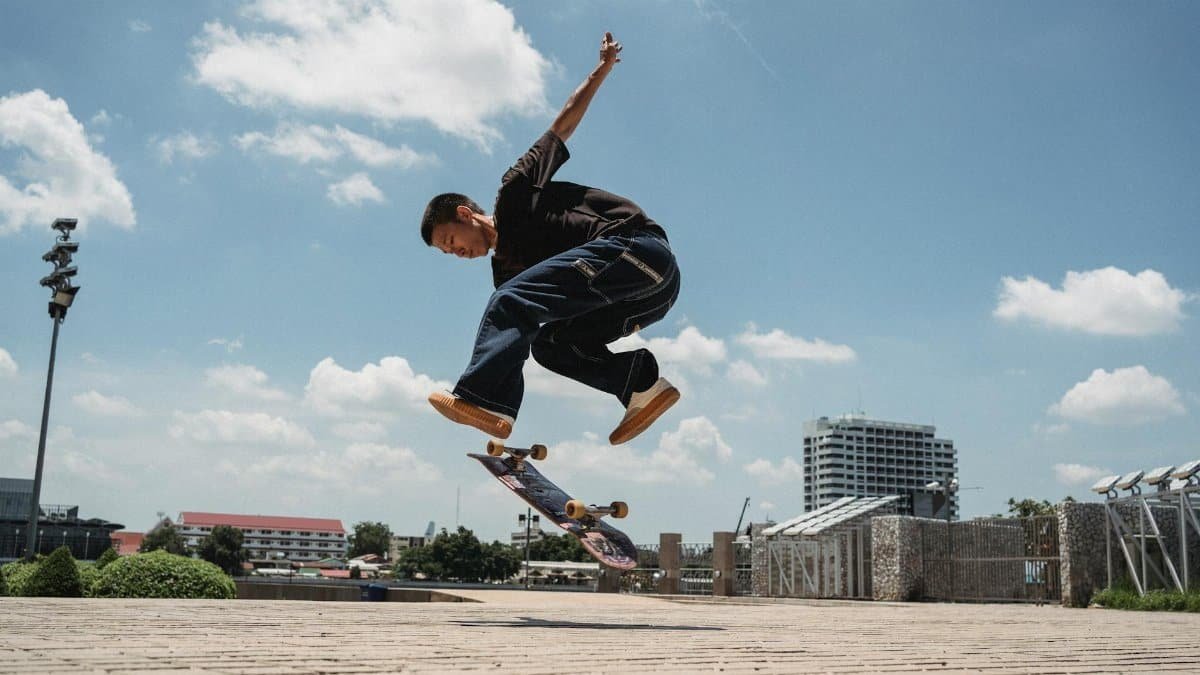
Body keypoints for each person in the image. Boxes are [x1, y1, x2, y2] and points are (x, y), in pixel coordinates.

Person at [420, 32, 681, 446]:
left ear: (465, 214)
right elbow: (513, 339)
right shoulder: (507, 273)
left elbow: (563, 127)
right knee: (548, 344)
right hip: (644, 298)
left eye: (452, 240)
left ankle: (485, 399)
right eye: (449, 253)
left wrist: (601, 70)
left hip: (637, 251)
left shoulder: (515, 194)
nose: (458, 253)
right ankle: (641, 386)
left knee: (509, 301)